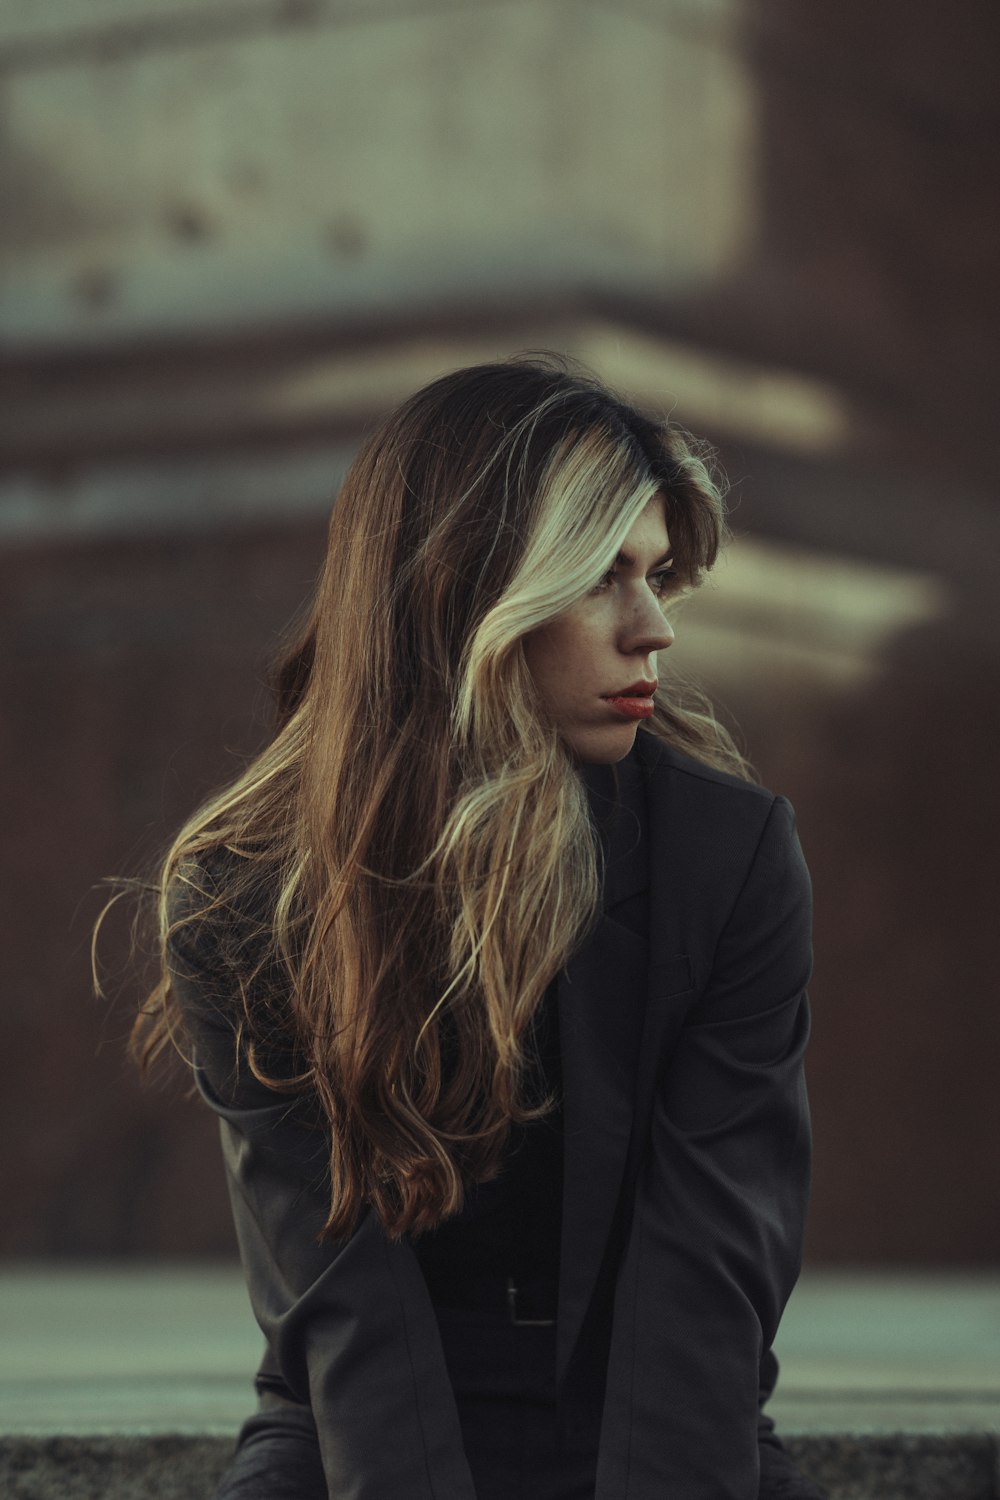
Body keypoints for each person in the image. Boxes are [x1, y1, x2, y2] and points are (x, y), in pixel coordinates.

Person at [133, 356, 826, 1500]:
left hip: (655, 1419)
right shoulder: (240, 893)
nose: (652, 629)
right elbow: (342, 1305)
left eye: (657, 577)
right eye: (602, 575)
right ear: (464, 589)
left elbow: (707, 1280)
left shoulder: (728, 858)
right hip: (365, 1427)